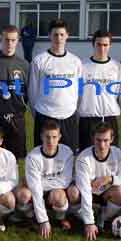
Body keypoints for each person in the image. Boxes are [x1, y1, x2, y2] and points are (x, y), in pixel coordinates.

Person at [72, 122, 121, 241]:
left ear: (112, 139)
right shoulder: (83, 158)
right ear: (93, 139)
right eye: (98, 140)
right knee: (73, 192)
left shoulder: (117, 154)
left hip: (107, 194)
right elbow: (85, 191)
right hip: (88, 193)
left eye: (105, 140)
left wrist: (110, 179)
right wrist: (89, 223)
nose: (102, 145)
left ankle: (103, 217)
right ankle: (81, 217)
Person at [28, 19, 82, 153]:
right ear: (50, 36)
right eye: (55, 35)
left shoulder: (75, 61)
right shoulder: (39, 61)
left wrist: (74, 108)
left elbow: (79, 90)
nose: (59, 38)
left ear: (67, 36)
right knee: (43, 155)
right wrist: (39, 112)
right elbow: (32, 92)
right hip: (46, 114)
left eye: (62, 34)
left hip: (69, 116)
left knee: (68, 157)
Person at [16, 121, 75, 239]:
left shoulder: (67, 152)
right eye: (47, 137)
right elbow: (36, 190)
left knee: (58, 195)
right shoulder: (33, 157)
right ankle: (30, 216)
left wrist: (39, 181)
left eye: (54, 137)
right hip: (38, 191)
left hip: (55, 191)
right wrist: (43, 221)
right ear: (41, 137)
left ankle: (60, 218)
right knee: (24, 194)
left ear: (59, 137)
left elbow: (65, 181)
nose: (51, 141)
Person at [0, 24, 29, 159]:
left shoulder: (24, 65)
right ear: (0, 40)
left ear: (18, 41)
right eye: (6, 40)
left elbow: (27, 93)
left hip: (16, 118)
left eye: (13, 40)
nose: (9, 43)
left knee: (15, 159)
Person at [77, 30, 121, 152]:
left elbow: (117, 93)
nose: (102, 48)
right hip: (88, 118)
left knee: (110, 155)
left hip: (109, 117)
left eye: (105, 45)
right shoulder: (82, 65)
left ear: (110, 45)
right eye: (99, 44)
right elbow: (78, 92)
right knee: (86, 154)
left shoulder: (116, 66)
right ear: (93, 44)